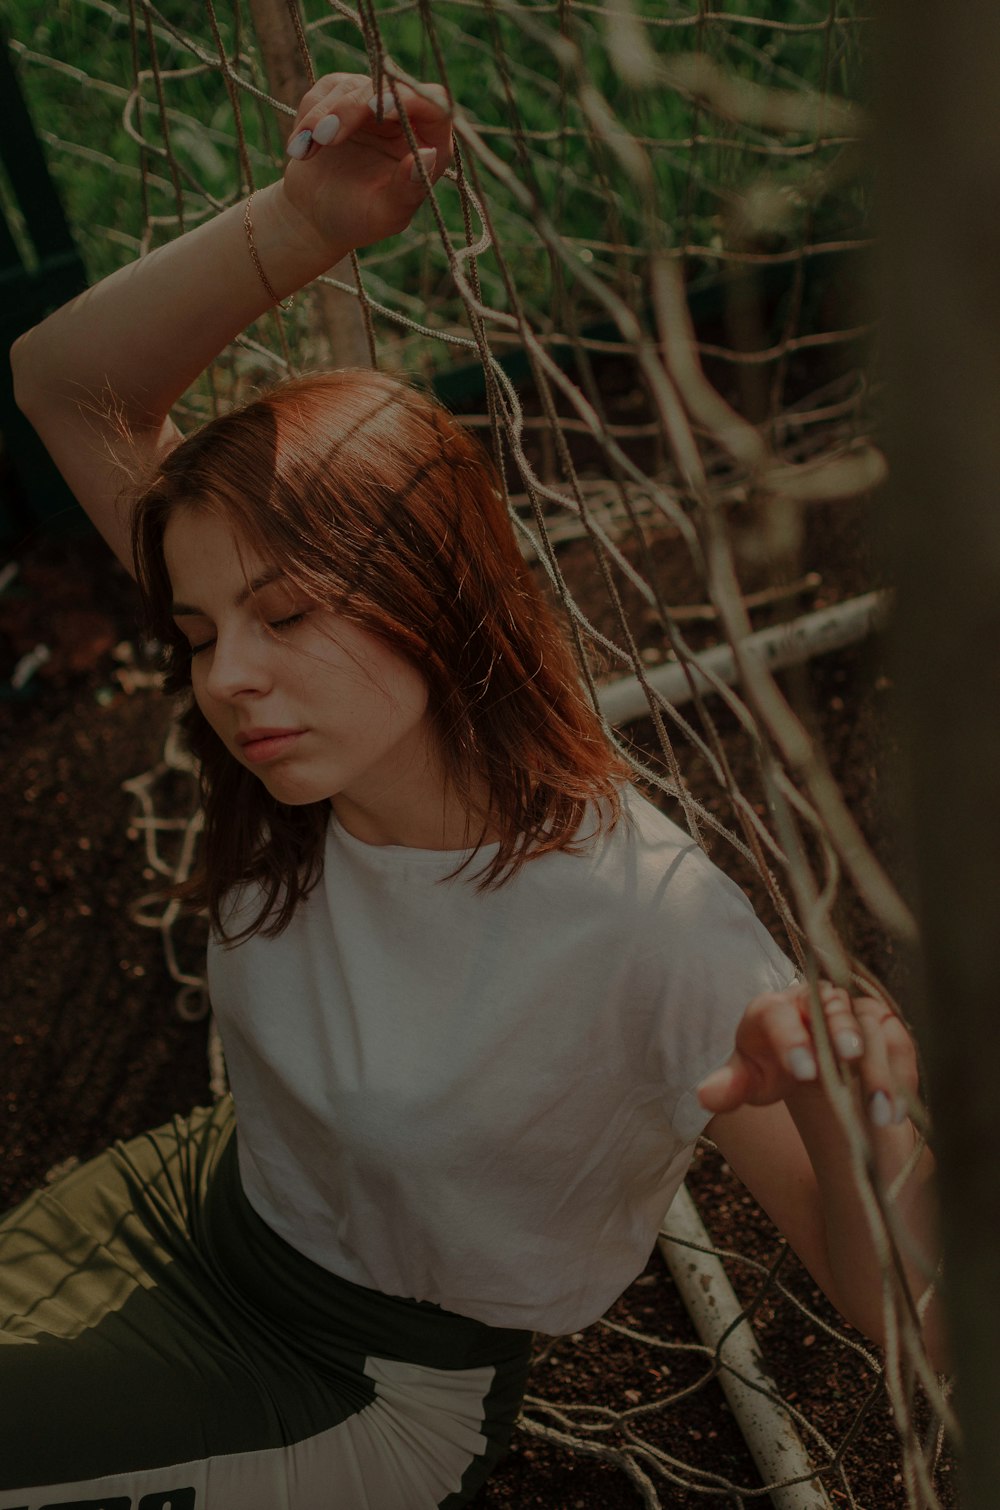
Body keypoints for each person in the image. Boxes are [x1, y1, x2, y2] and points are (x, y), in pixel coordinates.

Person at [6, 71, 941, 1510]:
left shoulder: (644, 916)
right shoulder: (303, 756)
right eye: (198, 636)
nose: (226, 676)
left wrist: (844, 1109)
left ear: (430, 597)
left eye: (288, 615)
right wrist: (306, 222)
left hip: (360, 1376)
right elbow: (63, 381)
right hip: (205, 1197)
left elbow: (901, 1311)